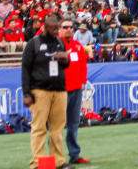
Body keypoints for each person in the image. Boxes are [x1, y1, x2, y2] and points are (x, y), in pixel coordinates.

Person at [21, 15, 70, 169]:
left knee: (57, 129)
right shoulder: (33, 44)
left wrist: (65, 60)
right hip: (40, 90)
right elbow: (25, 69)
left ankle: (59, 160)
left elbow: (66, 65)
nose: (56, 31)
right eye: (53, 28)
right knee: (39, 127)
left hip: (60, 90)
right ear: (44, 27)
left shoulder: (60, 42)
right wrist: (27, 93)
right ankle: (37, 162)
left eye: (57, 28)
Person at [61, 19, 90, 165]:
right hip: (60, 91)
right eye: (65, 27)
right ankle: (56, 156)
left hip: (76, 89)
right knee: (57, 126)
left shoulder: (77, 45)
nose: (68, 29)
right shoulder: (56, 45)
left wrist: (82, 81)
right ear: (59, 29)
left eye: (70, 27)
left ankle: (74, 154)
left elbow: (83, 65)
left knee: (73, 124)